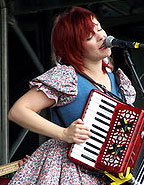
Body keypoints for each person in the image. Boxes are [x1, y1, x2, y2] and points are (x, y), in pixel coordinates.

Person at [8, 6, 136, 185]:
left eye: (99, 28)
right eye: (89, 36)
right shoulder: (67, 77)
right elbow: (18, 111)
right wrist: (64, 133)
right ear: (74, 48)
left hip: (109, 175)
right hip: (69, 169)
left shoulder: (119, 82)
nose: (101, 37)